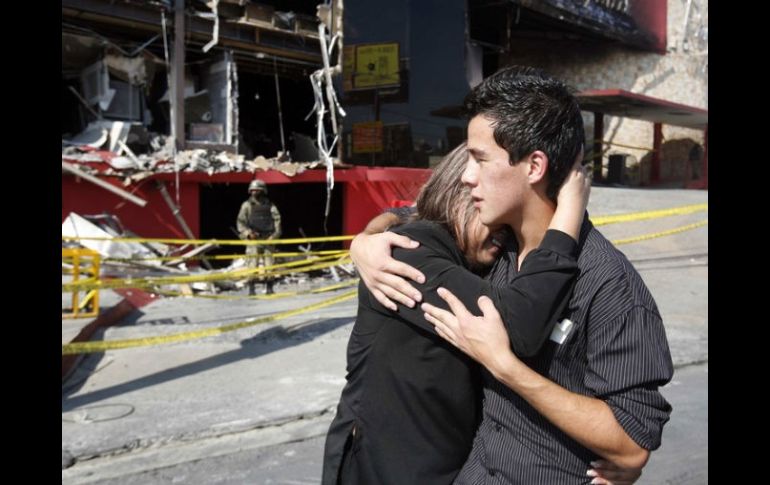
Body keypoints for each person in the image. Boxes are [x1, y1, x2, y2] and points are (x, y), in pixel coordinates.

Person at [351, 66, 673, 484]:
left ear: (534, 166)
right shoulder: (494, 251)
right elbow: (425, 214)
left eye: (480, 160)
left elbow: (632, 441)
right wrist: (367, 239)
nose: (467, 176)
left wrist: (507, 369)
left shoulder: (608, 285)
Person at [321, 141, 591, 485]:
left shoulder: (453, 251)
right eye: (491, 218)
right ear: (461, 195)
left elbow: (404, 211)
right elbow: (521, 324)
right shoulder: (408, 254)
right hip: (380, 470)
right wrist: (569, 213)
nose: (501, 236)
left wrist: (367, 234)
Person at [236, 179, 281, 295]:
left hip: (268, 238)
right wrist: (248, 233)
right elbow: (240, 223)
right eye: (252, 190)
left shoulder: (270, 205)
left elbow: (277, 221)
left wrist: (274, 236)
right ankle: (252, 289)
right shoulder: (246, 206)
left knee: (269, 265)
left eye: (257, 190)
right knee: (252, 264)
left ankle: (269, 288)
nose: (254, 193)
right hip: (253, 240)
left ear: (263, 191)